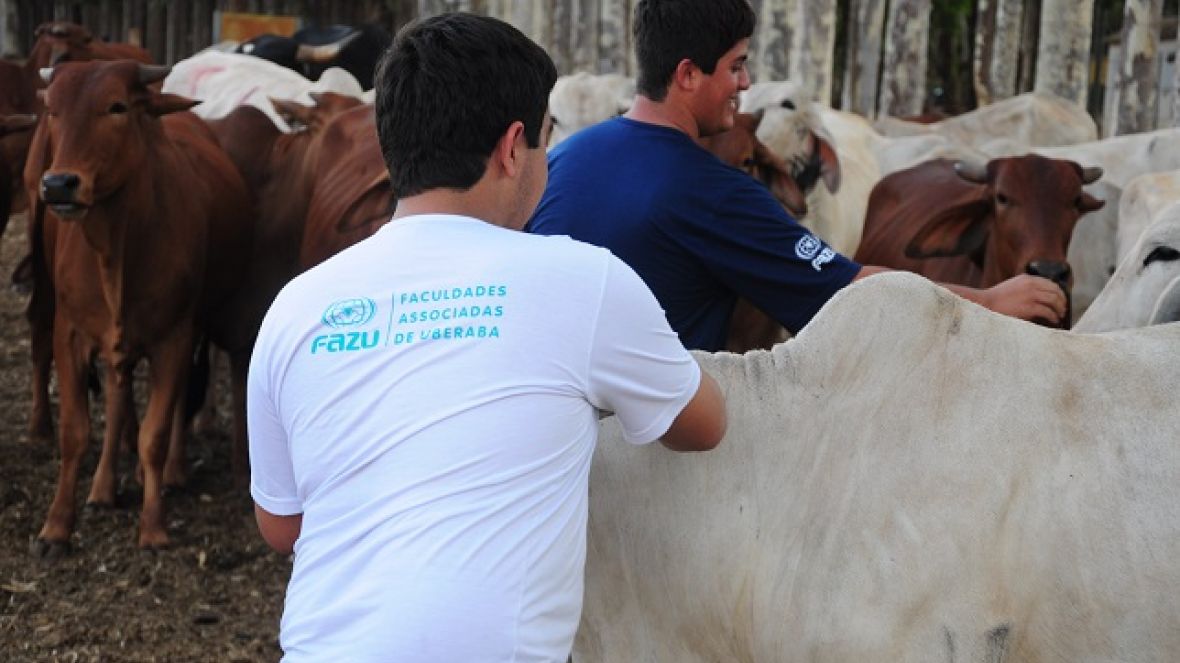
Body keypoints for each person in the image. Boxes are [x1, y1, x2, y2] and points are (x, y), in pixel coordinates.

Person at [246, 13, 726, 663]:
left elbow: (281, 525)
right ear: (512, 147)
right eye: (546, 141)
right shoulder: (584, 280)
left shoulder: (296, 307)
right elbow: (704, 424)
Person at [528, 0, 1068, 352]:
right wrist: (991, 302)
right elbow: (850, 291)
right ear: (688, 74)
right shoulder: (713, 192)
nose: (746, 82)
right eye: (736, 65)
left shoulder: (563, 159)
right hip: (661, 455)